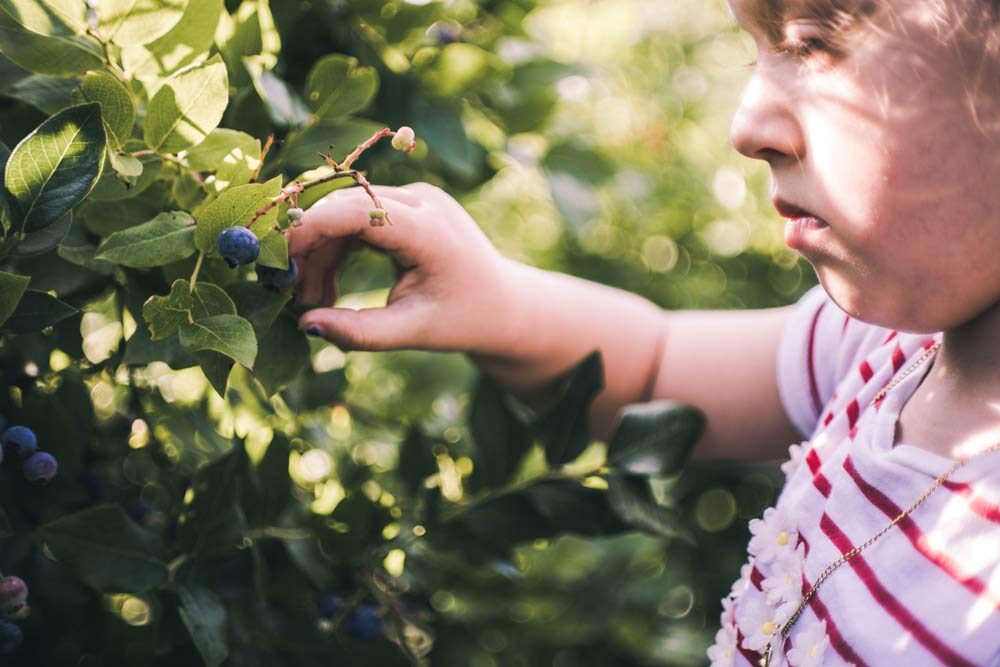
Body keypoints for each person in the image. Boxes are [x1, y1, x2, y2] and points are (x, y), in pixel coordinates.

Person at [287, 0, 1000, 664]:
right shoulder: (883, 350)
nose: (747, 126)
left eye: (814, 44)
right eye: (755, 53)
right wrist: (493, 298)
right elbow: (656, 369)